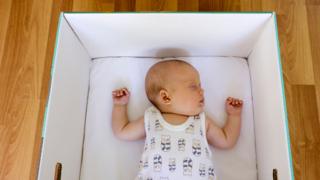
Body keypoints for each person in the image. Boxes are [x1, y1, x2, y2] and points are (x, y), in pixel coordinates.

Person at [112, 59, 243, 180]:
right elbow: (122, 131)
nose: (202, 91)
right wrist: (120, 106)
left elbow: (227, 141)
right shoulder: (151, 118)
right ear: (166, 97)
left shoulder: (200, 121)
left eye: (200, 85)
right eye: (193, 86)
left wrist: (234, 116)